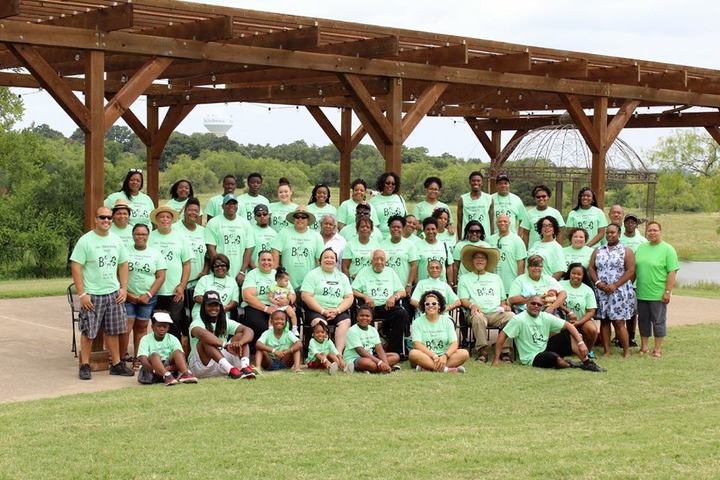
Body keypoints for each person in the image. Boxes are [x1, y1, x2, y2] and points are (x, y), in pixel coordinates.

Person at [71, 206, 133, 380]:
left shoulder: (116, 240)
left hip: (113, 293)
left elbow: (123, 263)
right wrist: (82, 294)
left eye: (108, 218)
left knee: (113, 331)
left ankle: (116, 364)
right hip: (93, 294)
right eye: (102, 218)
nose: (106, 221)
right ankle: (85, 364)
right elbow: (76, 266)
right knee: (89, 331)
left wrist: (123, 288)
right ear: (95, 220)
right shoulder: (86, 241)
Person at [492, 296, 604, 371]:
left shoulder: (545, 316)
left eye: (539, 305)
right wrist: (496, 359)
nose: (536, 306)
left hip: (545, 347)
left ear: (542, 307)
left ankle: (587, 362)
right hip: (532, 357)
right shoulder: (519, 319)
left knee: (569, 334)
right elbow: (503, 335)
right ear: (527, 304)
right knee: (556, 360)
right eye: (533, 303)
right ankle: (572, 364)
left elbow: (569, 325)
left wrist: (581, 343)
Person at [120, 223, 166, 370]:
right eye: (138, 234)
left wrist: (148, 294)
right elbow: (117, 274)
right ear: (132, 235)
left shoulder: (155, 254)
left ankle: (138, 358)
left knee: (142, 327)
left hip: (147, 298)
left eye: (144, 234)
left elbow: (160, 276)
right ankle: (121, 357)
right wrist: (127, 293)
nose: (141, 237)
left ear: (148, 236)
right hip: (128, 296)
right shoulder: (124, 252)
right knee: (126, 327)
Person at [457, 245, 514, 362]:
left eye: (483, 258)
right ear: (472, 261)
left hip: (496, 312)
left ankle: (505, 350)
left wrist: (504, 305)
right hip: (477, 312)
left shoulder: (496, 278)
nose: (479, 260)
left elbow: (502, 299)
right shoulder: (464, 278)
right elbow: (463, 299)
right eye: (477, 258)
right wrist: (472, 305)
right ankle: (482, 350)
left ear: (487, 261)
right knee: (478, 318)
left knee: (511, 317)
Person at [589, 223, 636, 358]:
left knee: (619, 322)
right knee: (604, 321)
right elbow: (591, 268)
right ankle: (606, 350)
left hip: (619, 292)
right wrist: (598, 283)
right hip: (602, 291)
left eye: (613, 233)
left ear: (619, 234)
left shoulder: (626, 250)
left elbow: (630, 270)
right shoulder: (598, 250)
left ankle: (626, 351)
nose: (610, 235)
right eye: (608, 233)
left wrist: (615, 285)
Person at [352, 249, 409, 356]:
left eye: (382, 259)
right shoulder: (364, 272)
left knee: (402, 314)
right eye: (376, 259)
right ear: (371, 261)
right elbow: (353, 290)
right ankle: (366, 349)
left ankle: (395, 350)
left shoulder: (390, 272)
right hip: (370, 307)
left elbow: (403, 292)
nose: (379, 262)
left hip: (387, 306)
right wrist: (365, 296)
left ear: (386, 261)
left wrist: (394, 296)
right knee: (363, 315)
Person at [634, 221, 679, 358]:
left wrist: (667, 292)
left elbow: (672, 272)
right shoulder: (641, 248)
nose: (652, 233)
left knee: (658, 321)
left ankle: (658, 349)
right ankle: (644, 346)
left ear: (660, 232)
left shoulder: (668, 249)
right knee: (643, 321)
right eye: (650, 230)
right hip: (641, 293)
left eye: (655, 230)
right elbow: (635, 269)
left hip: (658, 294)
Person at [148, 205, 193, 341]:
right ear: (156, 220)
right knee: (157, 323)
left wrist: (182, 286)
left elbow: (186, 264)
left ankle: (174, 354)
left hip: (174, 291)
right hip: (155, 290)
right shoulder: (150, 237)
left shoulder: (181, 238)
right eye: (162, 217)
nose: (165, 220)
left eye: (168, 217)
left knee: (174, 323)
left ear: (172, 220)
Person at [188, 291, 255, 379]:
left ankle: (245, 367)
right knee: (205, 341)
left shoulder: (224, 321)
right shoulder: (197, 322)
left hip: (221, 361)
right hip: (201, 366)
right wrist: (225, 345)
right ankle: (230, 370)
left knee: (241, 336)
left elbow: (249, 330)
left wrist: (240, 342)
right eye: (210, 305)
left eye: (216, 305)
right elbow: (203, 334)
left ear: (220, 306)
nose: (213, 308)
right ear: (203, 307)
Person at [301, 248, 354, 352]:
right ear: (319, 261)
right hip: (316, 310)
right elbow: (305, 296)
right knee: (319, 323)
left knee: (346, 321)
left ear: (336, 261)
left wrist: (338, 310)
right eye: (326, 257)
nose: (329, 260)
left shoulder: (342, 277)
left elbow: (349, 297)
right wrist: (323, 311)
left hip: (337, 310)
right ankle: (323, 355)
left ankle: (338, 354)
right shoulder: (312, 275)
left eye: (332, 258)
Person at [409, 290, 469, 373]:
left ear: (439, 306)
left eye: (434, 303)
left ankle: (427, 367)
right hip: (426, 355)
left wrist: (445, 356)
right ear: (424, 306)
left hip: (444, 355)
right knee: (413, 353)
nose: (430, 306)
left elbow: (454, 343)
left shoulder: (447, 321)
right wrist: (433, 356)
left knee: (464, 353)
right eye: (427, 304)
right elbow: (417, 344)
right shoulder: (417, 322)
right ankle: (446, 370)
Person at [204, 193, 254, 285]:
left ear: (237, 206)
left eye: (234, 203)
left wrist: (242, 271)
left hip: (240, 275)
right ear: (222, 206)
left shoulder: (245, 223)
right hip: (219, 274)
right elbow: (211, 249)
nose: (231, 206)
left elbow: (249, 249)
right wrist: (221, 269)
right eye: (228, 203)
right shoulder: (213, 223)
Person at [271, 207, 325, 292]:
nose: (300, 219)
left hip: (309, 283)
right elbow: (275, 251)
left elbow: (320, 260)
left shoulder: (316, 236)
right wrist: (277, 272)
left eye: (303, 217)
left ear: (308, 220)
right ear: (294, 218)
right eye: (297, 216)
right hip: (286, 283)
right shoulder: (284, 233)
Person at [136, 312, 197, 386]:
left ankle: (186, 374)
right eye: (159, 326)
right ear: (152, 327)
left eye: (164, 326)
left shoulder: (173, 338)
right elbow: (143, 360)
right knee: (154, 355)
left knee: (178, 352)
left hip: (169, 369)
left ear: (168, 328)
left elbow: (181, 358)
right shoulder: (145, 339)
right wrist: (156, 370)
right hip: (151, 370)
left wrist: (168, 369)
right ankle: (166, 375)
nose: (162, 329)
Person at [343, 305, 401, 374]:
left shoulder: (373, 329)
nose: (364, 318)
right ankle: (376, 368)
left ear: (371, 318)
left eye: (367, 316)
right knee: (370, 364)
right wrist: (379, 362)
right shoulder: (352, 330)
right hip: (355, 358)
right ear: (357, 317)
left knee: (395, 356)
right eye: (362, 315)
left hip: (370, 356)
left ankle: (381, 368)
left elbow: (379, 349)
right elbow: (360, 351)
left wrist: (385, 363)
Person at [558, 263, 599, 349]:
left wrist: (579, 322)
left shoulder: (588, 290)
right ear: (569, 273)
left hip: (581, 321)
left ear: (583, 276)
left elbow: (591, 311)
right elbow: (555, 301)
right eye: (573, 273)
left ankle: (588, 350)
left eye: (579, 274)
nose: (576, 276)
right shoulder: (560, 284)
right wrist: (568, 311)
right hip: (562, 320)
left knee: (592, 329)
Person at [241, 250, 277, 345]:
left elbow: (291, 294)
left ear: (273, 262)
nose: (266, 262)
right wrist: (266, 308)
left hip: (275, 306)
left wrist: (286, 300)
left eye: (269, 260)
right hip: (255, 307)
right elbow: (247, 296)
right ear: (258, 261)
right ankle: (262, 350)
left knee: (282, 323)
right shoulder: (252, 274)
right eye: (263, 260)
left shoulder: (278, 274)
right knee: (263, 327)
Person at [191, 254, 239, 323]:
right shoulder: (204, 279)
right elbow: (197, 297)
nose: (220, 268)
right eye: (216, 266)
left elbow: (235, 301)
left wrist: (224, 308)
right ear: (212, 268)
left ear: (227, 267)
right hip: (202, 311)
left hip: (223, 311)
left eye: (223, 265)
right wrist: (212, 306)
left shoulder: (232, 281)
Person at [380, 215, 418, 298]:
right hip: (386, 286)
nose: (396, 229)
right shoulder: (382, 245)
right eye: (393, 227)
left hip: (403, 286)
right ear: (389, 228)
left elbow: (414, 265)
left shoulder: (409, 245)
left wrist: (409, 284)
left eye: (398, 227)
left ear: (403, 228)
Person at [487, 214, 527, 292]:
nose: (502, 223)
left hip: (510, 283)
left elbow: (521, 262)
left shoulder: (517, 240)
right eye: (500, 221)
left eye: (505, 221)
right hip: (493, 283)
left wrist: (519, 282)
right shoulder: (490, 240)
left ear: (509, 223)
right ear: (496, 223)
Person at [175, 197, 208, 289]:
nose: (193, 213)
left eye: (196, 211)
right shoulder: (174, 228)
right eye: (190, 210)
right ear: (184, 211)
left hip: (198, 281)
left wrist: (205, 271)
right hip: (178, 281)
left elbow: (208, 255)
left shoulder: (203, 231)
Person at [457, 170, 493, 240]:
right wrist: (459, 238)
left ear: (482, 182)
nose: (476, 182)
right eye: (473, 181)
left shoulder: (489, 198)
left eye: (478, 181)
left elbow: (491, 221)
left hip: (485, 238)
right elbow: (459, 221)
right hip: (468, 237)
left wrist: (491, 238)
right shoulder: (462, 199)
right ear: (470, 182)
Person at [416, 217, 453, 283]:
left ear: (437, 230)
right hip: (424, 285)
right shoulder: (417, 246)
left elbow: (449, 266)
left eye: (433, 229)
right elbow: (415, 267)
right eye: (428, 229)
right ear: (424, 230)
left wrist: (450, 283)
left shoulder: (444, 245)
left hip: (441, 285)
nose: (431, 232)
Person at [370, 171, 406, 238]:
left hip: (398, 238)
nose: (390, 185)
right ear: (382, 183)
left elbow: (405, 218)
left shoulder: (399, 198)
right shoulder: (373, 201)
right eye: (387, 183)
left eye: (393, 184)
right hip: (381, 238)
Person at [267, 267, 298, 336]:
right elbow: (270, 297)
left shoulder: (287, 288)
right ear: (279, 280)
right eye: (286, 281)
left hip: (285, 305)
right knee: (272, 315)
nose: (287, 282)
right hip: (276, 305)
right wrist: (275, 302)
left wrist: (289, 297)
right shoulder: (273, 287)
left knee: (292, 314)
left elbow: (291, 295)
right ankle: (270, 328)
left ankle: (294, 328)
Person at [248, 204, 277, 270]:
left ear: (269, 215)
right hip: (254, 270)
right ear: (255, 217)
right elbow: (247, 254)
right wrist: (255, 270)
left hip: (269, 271)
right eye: (259, 215)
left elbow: (276, 255)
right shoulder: (250, 231)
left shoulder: (274, 233)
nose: (262, 216)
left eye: (264, 214)